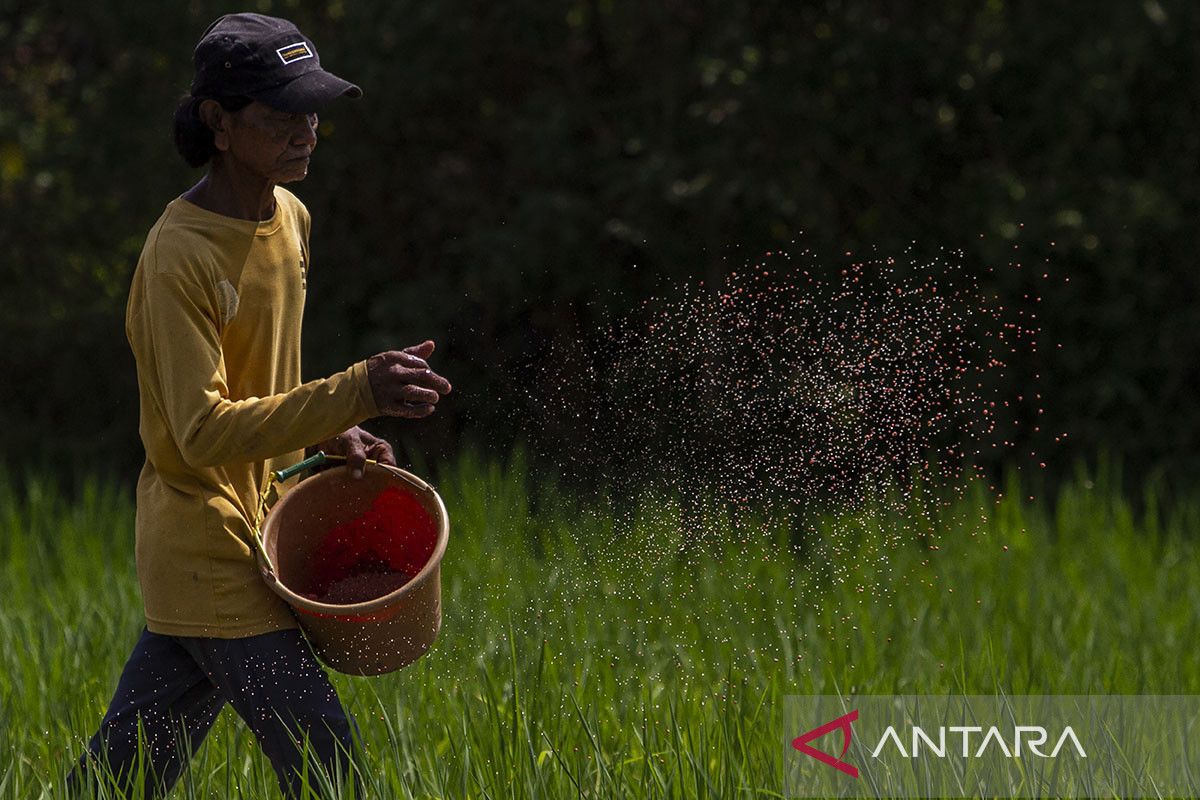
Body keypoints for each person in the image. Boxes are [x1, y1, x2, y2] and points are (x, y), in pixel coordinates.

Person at [65, 12, 451, 799]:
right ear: (219, 122)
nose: (307, 131)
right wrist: (356, 390)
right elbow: (202, 430)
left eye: (312, 113)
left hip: (259, 530)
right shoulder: (180, 256)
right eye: (282, 117)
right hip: (206, 543)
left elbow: (260, 387)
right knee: (327, 763)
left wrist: (335, 426)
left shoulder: (290, 218)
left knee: (126, 775)